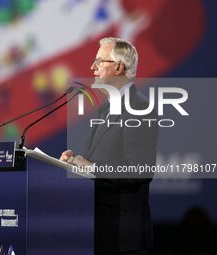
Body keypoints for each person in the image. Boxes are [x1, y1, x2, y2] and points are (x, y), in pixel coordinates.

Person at [60, 37, 158, 255]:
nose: (92, 67)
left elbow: (140, 169)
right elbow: (101, 160)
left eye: (99, 61)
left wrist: (92, 168)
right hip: (98, 232)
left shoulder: (139, 106)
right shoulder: (107, 107)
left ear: (119, 67)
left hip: (124, 239)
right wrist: (75, 161)